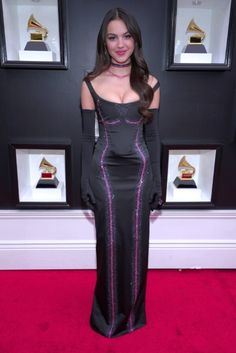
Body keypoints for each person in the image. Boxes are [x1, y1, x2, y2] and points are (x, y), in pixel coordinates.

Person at [80, 7, 162, 338]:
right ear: (105, 41)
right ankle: (108, 316)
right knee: (109, 244)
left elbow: (153, 136)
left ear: (135, 39)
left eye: (126, 36)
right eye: (113, 37)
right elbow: (87, 137)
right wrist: (85, 179)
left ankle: (132, 316)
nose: (120, 43)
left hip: (140, 174)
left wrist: (157, 180)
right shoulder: (89, 82)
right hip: (105, 172)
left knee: (137, 244)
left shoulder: (152, 83)